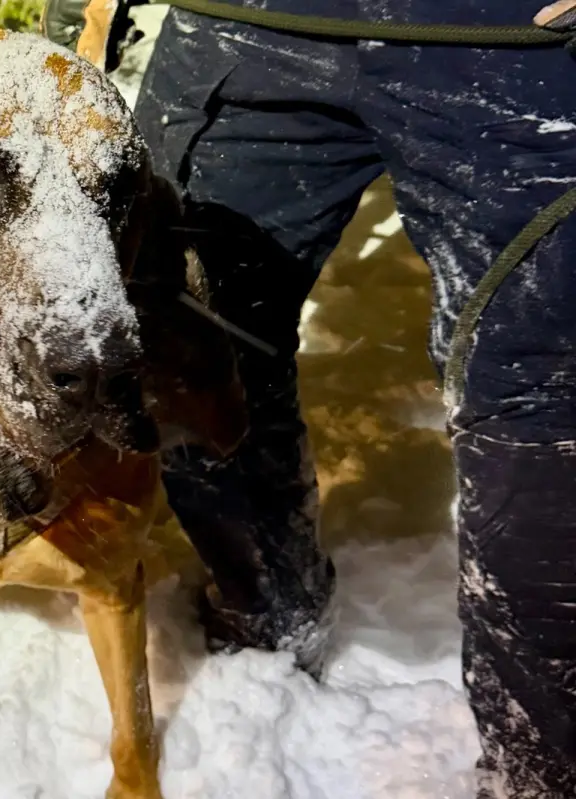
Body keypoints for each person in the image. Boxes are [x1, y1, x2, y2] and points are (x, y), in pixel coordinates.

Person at [41, 0, 576, 796]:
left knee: (546, 418)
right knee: (185, 347)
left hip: (518, 41)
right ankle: (268, 620)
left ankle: (543, 774)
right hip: (250, 20)